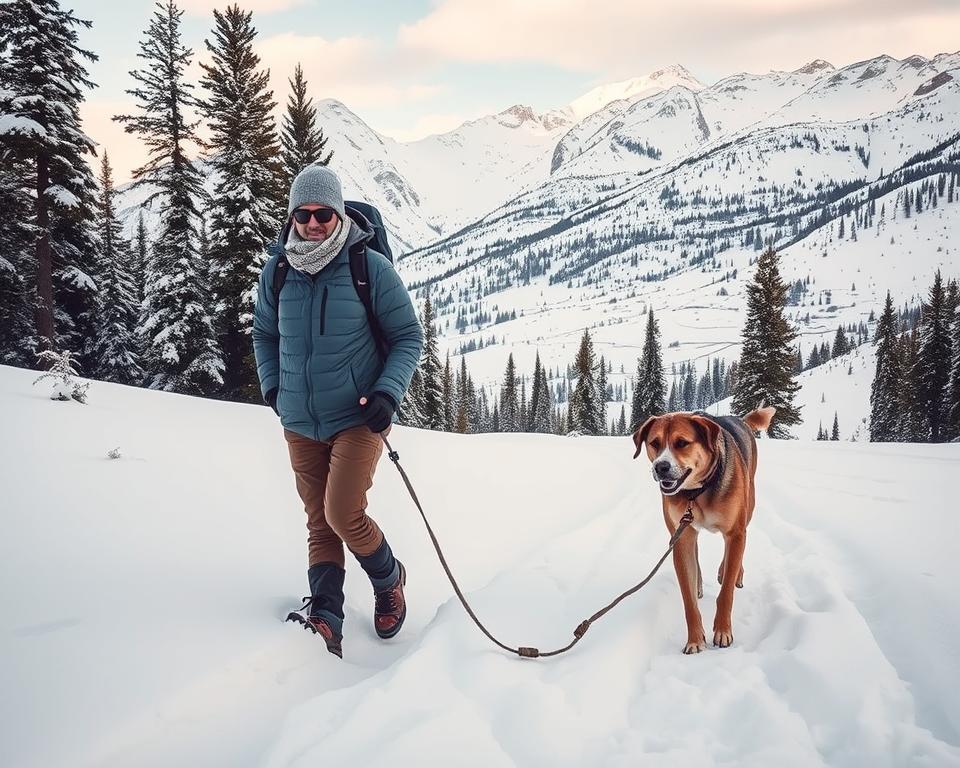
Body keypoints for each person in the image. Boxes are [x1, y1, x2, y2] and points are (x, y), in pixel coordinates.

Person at [252, 164, 424, 658]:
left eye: (323, 214)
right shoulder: (278, 268)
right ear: (292, 216)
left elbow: (408, 336)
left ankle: (389, 579)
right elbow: (264, 333)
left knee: (342, 511)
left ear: (339, 213)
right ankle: (326, 616)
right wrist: (274, 389)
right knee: (318, 521)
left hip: (358, 416)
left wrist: (388, 392)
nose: (312, 223)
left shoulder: (367, 267)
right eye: (302, 214)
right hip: (300, 421)